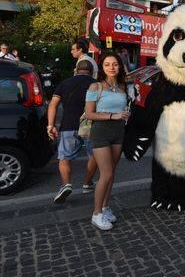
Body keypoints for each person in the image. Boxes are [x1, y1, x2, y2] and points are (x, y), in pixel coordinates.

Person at [85, 52, 129, 230]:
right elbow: (89, 114)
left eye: (115, 64)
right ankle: (96, 214)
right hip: (101, 131)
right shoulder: (96, 87)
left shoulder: (122, 87)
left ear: (120, 67)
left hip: (119, 131)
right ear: (102, 68)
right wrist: (113, 115)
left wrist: (125, 113)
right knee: (107, 174)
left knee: (112, 173)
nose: (112, 67)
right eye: (107, 64)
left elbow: (122, 109)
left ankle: (105, 207)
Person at [47, 60, 98, 203]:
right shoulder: (97, 84)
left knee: (64, 158)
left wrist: (50, 125)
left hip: (68, 126)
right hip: (91, 126)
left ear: (76, 70)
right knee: (93, 156)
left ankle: (66, 184)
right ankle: (87, 183)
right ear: (92, 72)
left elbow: (53, 104)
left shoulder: (64, 83)